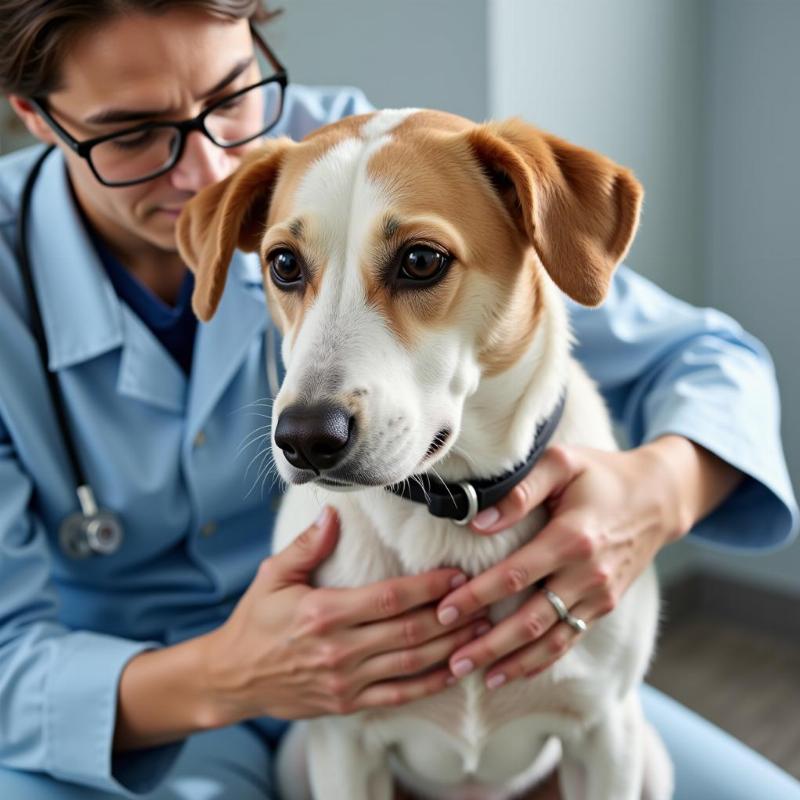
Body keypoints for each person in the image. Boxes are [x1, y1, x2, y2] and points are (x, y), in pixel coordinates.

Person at [0, 2, 797, 798]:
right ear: (36, 116)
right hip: (143, 710)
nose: (209, 170)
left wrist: (657, 493)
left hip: (480, 672)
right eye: (133, 134)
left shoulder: (376, 161)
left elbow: (701, 356)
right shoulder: (261, 194)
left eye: (229, 94)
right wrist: (228, 676)